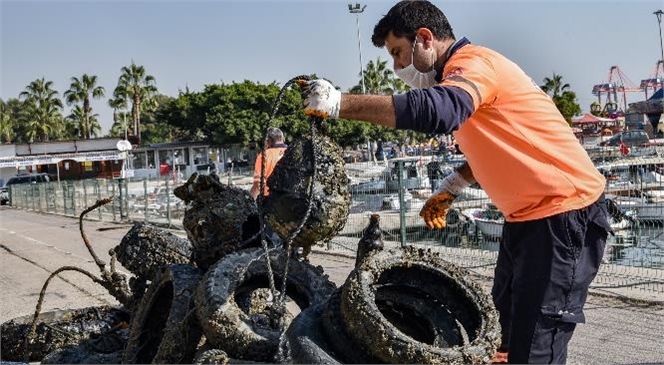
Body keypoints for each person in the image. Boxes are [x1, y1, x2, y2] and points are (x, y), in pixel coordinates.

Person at [300, 1, 609, 363]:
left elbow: (440, 112)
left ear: (425, 38)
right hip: (525, 220)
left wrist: (340, 103)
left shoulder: (474, 64)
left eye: (399, 53)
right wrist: (453, 185)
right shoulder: (460, 78)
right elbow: (500, 142)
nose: (398, 66)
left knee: (536, 347)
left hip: (563, 217)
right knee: (501, 338)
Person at [250, 127, 287, 200]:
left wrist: (249, 200)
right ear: (282, 139)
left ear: (268, 140)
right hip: (291, 201)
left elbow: (258, 184)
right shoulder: (291, 153)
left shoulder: (264, 155)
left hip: (270, 201)